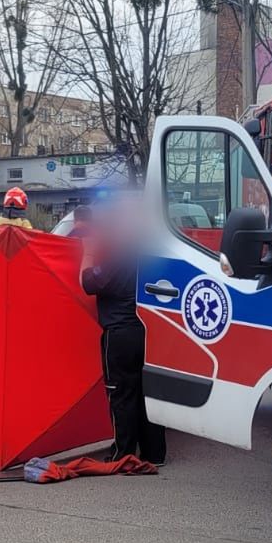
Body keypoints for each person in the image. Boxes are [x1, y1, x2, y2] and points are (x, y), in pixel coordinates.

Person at [80, 197, 165, 464]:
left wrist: (88, 252)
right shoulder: (152, 253)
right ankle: (155, 452)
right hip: (147, 332)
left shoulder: (119, 257)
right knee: (146, 392)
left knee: (121, 393)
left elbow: (87, 282)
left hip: (119, 333)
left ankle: (123, 452)